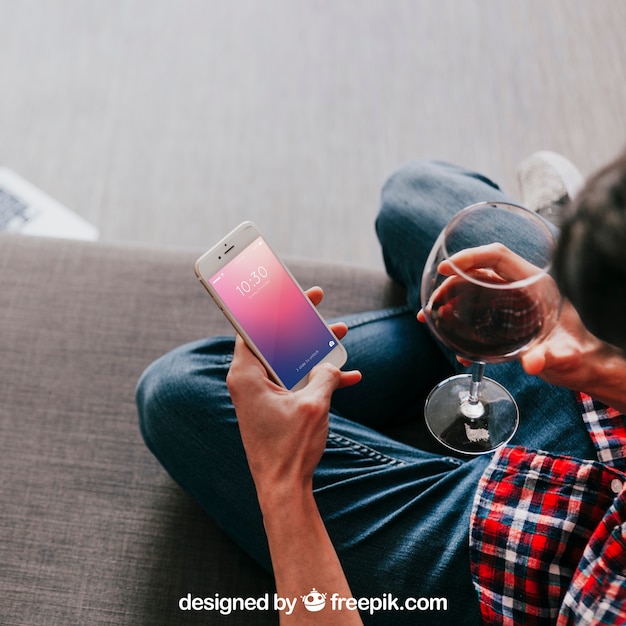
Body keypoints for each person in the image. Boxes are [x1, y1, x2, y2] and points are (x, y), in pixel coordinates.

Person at [136, 150, 626, 625]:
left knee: (178, 391)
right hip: (608, 412)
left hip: (525, 567)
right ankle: (564, 264)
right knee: (413, 192)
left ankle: (536, 272)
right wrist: (604, 365)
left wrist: (282, 480)